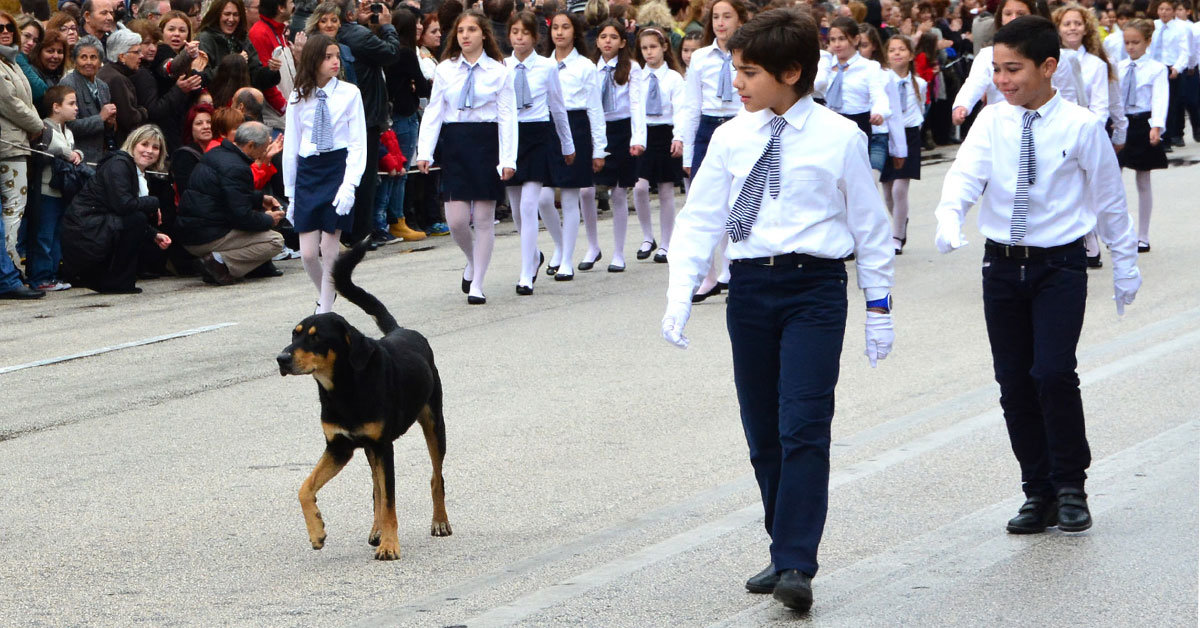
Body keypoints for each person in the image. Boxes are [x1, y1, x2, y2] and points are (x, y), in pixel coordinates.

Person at [662, 8, 895, 613]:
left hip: (814, 288)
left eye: (748, 73)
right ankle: (780, 542)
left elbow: (871, 229)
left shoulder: (840, 137)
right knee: (764, 432)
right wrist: (680, 291)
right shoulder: (732, 136)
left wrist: (879, 307)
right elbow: (702, 217)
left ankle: (797, 560)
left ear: (791, 72)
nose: (735, 83)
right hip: (751, 290)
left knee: (803, 427)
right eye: (735, 71)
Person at [933, 16, 1141, 537]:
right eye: (995, 70)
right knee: (1013, 383)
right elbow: (966, 175)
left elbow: (1110, 200)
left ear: (1048, 67)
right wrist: (948, 214)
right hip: (1001, 265)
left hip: (1059, 265)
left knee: (1051, 373)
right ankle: (1038, 490)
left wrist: (1125, 265)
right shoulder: (991, 123)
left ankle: (1071, 484)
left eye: (1013, 69)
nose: (1002, 81)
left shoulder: (1080, 125)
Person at [416, 9, 517, 304]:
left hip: (487, 142)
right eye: (461, 31)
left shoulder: (499, 71)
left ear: (483, 33)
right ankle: (472, 260)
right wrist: (425, 150)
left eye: (472, 30)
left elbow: (507, 116)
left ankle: (479, 283)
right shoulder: (445, 69)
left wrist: (508, 159)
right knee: (456, 219)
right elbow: (434, 111)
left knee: (484, 218)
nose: (465, 36)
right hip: (456, 142)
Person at [283, 34, 365, 310]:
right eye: (327, 57)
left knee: (330, 247)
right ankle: (327, 293)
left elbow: (357, 142)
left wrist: (350, 184)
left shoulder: (350, 93)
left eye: (336, 57)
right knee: (307, 253)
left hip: (337, 167)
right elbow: (291, 146)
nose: (334, 62)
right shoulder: (298, 96)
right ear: (314, 60)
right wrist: (290, 193)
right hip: (309, 170)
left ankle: (325, 307)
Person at [674, 0, 745, 298]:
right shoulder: (701, 57)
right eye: (716, 17)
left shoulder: (750, 53)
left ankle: (735, 268)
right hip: (708, 127)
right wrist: (688, 150)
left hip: (740, 125)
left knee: (737, 200)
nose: (721, 22)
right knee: (705, 202)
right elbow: (691, 105)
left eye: (727, 16)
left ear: (740, 20)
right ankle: (710, 274)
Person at [503, 10, 574, 294]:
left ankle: (525, 273)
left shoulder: (547, 67)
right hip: (510, 136)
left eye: (525, 33)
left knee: (529, 205)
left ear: (535, 37)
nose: (519, 38)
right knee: (517, 210)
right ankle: (533, 255)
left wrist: (567, 144)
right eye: (515, 32)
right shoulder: (501, 66)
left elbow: (558, 107)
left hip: (537, 133)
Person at [60, 124, 173, 294]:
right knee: (137, 218)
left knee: (138, 219)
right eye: (144, 144)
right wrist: (154, 202)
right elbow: (124, 205)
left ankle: (112, 279)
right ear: (133, 144)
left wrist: (153, 234)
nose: (149, 151)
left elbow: (121, 210)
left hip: (93, 228)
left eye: (155, 147)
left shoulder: (137, 173)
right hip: (84, 232)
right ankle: (118, 281)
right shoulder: (119, 164)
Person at [536, 10, 603, 282]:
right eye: (555, 28)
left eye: (565, 27)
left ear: (574, 31)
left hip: (576, 126)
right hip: (547, 127)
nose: (560, 33)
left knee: (570, 196)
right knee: (542, 197)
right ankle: (561, 245)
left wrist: (600, 148)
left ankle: (566, 260)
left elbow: (595, 110)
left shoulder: (586, 66)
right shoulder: (542, 64)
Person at [177, 120, 286, 285]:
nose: (265, 151)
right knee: (275, 240)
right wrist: (270, 219)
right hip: (206, 236)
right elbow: (241, 217)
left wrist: (259, 199)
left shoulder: (217, 153)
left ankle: (219, 262)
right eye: (264, 147)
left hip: (191, 229)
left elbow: (226, 196)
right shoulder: (237, 167)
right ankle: (218, 263)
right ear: (250, 145)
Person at [334, 0, 401, 245]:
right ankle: (360, 233)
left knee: (353, 175)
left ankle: (353, 231)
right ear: (350, 13)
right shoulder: (358, 35)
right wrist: (387, 26)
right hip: (366, 117)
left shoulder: (348, 33)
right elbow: (392, 53)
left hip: (356, 115)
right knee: (364, 178)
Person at [586, 18, 642, 273]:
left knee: (618, 193)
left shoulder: (631, 68)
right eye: (603, 36)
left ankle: (618, 252)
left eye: (613, 37)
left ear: (622, 42)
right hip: (596, 129)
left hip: (621, 129)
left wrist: (637, 138)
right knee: (586, 191)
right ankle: (592, 245)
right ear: (597, 41)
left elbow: (637, 105)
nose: (608, 41)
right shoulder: (589, 68)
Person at [629, 26, 684, 276]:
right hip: (644, 134)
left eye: (653, 47)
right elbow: (635, 110)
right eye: (644, 48)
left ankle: (666, 243)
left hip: (665, 132)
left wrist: (678, 137)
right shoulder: (637, 77)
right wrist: (636, 138)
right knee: (639, 187)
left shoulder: (673, 78)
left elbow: (680, 110)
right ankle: (647, 236)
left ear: (663, 47)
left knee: (665, 191)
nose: (648, 52)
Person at [376, 7, 430, 244]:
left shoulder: (382, 51)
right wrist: (421, 85)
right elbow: (423, 86)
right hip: (405, 113)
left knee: (389, 169)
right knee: (401, 171)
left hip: (387, 114)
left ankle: (383, 220)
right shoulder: (407, 53)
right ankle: (397, 219)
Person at [1117, 18, 1169, 252]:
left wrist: (1156, 125)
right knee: (1112, 180)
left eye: (1135, 42)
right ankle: (1116, 232)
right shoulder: (1118, 67)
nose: (1130, 47)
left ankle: (1143, 235)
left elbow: (1160, 98)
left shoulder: (1156, 69)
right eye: (1127, 42)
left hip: (1143, 124)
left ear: (1147, 41)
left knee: (1143, 179)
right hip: (1120, 124)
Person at [28, 85, 86, 292]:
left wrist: (77, 153)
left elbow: (70, 150)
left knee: (56, 234)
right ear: (56, 107)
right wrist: (67, 153)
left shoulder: (67, 130)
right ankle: (40, 276)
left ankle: (52, 274)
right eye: (71, 103)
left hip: (64, 191)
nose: (76, 108)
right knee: (44, 234)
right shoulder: (45, 127)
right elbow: (48, 148)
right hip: (46, 191)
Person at [0, 7, 43, 272]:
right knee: (12, 211)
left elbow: (27, 99)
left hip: (16, 145)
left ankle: (10, 269)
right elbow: (9, 102)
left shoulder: (12, 61)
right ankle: (10, 272)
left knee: (14, 211)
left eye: (8, 27)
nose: (4, 32)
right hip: (8, 146)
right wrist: (38, 125)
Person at [881, 34, 926, 254]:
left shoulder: (920, 83)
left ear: (910, 54)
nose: (897, 53)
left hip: (909, 135)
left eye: (901, 49)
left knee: (900, 189)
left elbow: (922, 107)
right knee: (888, 191)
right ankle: (901, 220)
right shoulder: (882, 80)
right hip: (887, 134)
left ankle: (896, 236)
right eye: (892, 50)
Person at [60, 38, 117, 164]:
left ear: (100, 61)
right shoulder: (68, 84)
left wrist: (109, 123)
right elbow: (68, 125)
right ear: (75, 60)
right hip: (77, 158)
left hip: (100, 157)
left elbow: (106, 127)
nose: (89, 62)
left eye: (93, 57)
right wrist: (100, 118)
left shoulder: (103, 86)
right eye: (83, 57)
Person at [98, 29, 151, 148]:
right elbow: (129, 119)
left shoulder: (109, 72)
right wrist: (143, 112)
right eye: (137, 52)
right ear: (122, 56)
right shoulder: (117, 79)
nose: (141, 56)